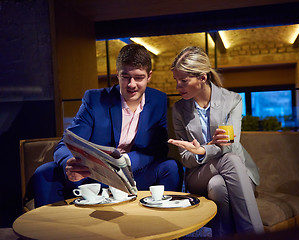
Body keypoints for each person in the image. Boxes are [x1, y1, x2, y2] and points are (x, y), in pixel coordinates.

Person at [32, 44, 182, 207]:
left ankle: (165, 228)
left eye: (138, 77)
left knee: (170, 167)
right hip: (94, 175)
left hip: (135, 174)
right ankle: (53, 230)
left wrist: (126, 161)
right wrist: (70, 164)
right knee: (45, 173)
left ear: (149, 76)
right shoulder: (95, 100)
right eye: (125, 77)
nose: (132, 84)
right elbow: (65, 144)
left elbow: (158, 149)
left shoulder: (158, 100)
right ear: (117, 75)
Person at [168, 46, 264, 237]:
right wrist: (209, 149)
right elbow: (187, 159)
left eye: (184, 81)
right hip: (198, 174)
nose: (178, 86)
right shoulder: (178, 110)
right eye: (176, 81)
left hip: (238, 173)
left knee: (219, 186)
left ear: (202, 78)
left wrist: (203, 150)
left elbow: (232, 145)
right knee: (231, 160)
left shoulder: (233, 100)